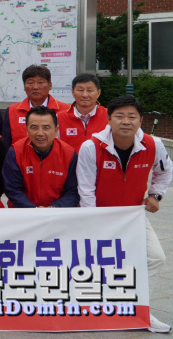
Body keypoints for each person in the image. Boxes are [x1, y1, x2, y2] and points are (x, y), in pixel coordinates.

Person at [76, 95, 171, 334]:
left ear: (141, 120)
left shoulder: (153, 144)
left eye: (132, 116)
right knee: (97, 265)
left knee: (156, 258)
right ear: (108, 119)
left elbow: (165, 172)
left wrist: (155, 195)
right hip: (98, 217)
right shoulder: (91, 146)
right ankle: (100, 307)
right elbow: (85, 189)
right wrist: (94, 224)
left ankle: (140, 310)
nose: (125, 121)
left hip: (133, 216)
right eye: (119, 116)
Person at [2, 106, 78, 208]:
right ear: (27, 130)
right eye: (34, 127)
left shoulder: (68, 154)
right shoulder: (15, 152)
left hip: (58, 214)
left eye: (46, 128)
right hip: (22, 212)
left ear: (56, 131)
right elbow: (12, 189)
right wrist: (35, 210)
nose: (40, 133)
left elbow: (73, 192)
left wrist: (52, 209)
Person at [1, 64, 70, 145]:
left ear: (50, 85)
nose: (35, 87)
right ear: (24, 87)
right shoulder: (12, 111)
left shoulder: (66, 110)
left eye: (40, 82)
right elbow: (6, 144)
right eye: (30, 83)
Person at [57, 73, 109, 150]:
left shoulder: (109, 116)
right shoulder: (59, 118)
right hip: (71, 162)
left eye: (89, 90)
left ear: (98, 93)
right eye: (80, 90)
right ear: (73, 92)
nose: (85, 95)